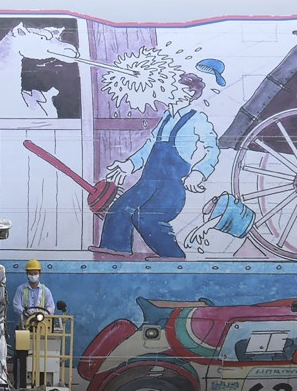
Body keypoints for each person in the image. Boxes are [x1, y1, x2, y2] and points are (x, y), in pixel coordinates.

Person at [91, 72, 219, 260]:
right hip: (147, 182)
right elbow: (148, 147)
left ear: (188, 93)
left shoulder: (197, 119)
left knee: (146, 217)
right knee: (120, 208)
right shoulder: (166, 118)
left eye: (174, 89)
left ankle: (173, 256)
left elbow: (213, 149)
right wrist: (128, 165)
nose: (168, 91)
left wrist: (199, 173)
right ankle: (115, 249)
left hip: (170, 187)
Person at [12, 259, 55, 327]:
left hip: (41, 323)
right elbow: (16, 305)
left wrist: (42, 314)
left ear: (40, 273)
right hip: (24, 323)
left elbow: (51, 307)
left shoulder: (46, 290)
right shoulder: (21, 289)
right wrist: (25, 313)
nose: (33, 276)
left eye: (35, 273)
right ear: (27, 274)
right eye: (30, 274)